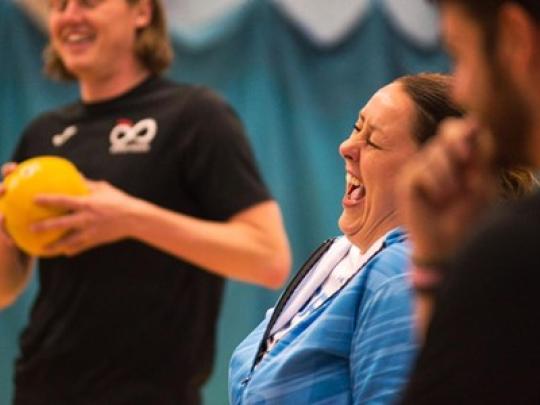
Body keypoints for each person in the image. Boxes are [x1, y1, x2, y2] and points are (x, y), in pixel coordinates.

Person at [0, 0, 291, 403]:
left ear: (142, 12)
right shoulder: (43, 134)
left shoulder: (196, 116)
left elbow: (268, 258)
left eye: (88, 2)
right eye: (58, 5)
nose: (69, 17)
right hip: (39, 389)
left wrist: (130, 218)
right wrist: (4, 232)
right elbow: (5, 289)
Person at [229, 73, 469, 405]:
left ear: (427, 169)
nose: (346, 147)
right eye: (358, 128)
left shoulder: (398, 272)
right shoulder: (338, 257)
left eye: (373, 141)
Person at [397, 0, 540, 403]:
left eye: (460, 54)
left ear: (515, 38)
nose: (459, 90)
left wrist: (433, 267)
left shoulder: (515, 252)